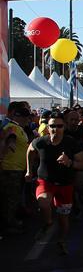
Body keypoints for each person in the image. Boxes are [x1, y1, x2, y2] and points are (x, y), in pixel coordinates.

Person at [26, 110, 83, 254]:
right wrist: (29, 170)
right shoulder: (41, 142)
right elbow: (30, 150)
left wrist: (70, 162)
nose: (56, 129)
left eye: (59, 126)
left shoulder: (71, 143)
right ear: (48, 127)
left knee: (63, 218)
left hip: (65, 184)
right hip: (46, 181)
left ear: (64, 127)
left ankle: (61, 241)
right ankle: (48, 223)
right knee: (43, 202)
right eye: (53, 126)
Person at [1, 101, 32, 236]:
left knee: (15, 197)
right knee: (10, 199)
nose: (27, 120)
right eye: (25, 117)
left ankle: (11, 221)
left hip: (18, 169)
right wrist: (10, 145)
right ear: (17, 116)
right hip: (10, 170)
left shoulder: (19, 128)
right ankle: (8, 224)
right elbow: (10, 140)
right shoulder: (11, 127)